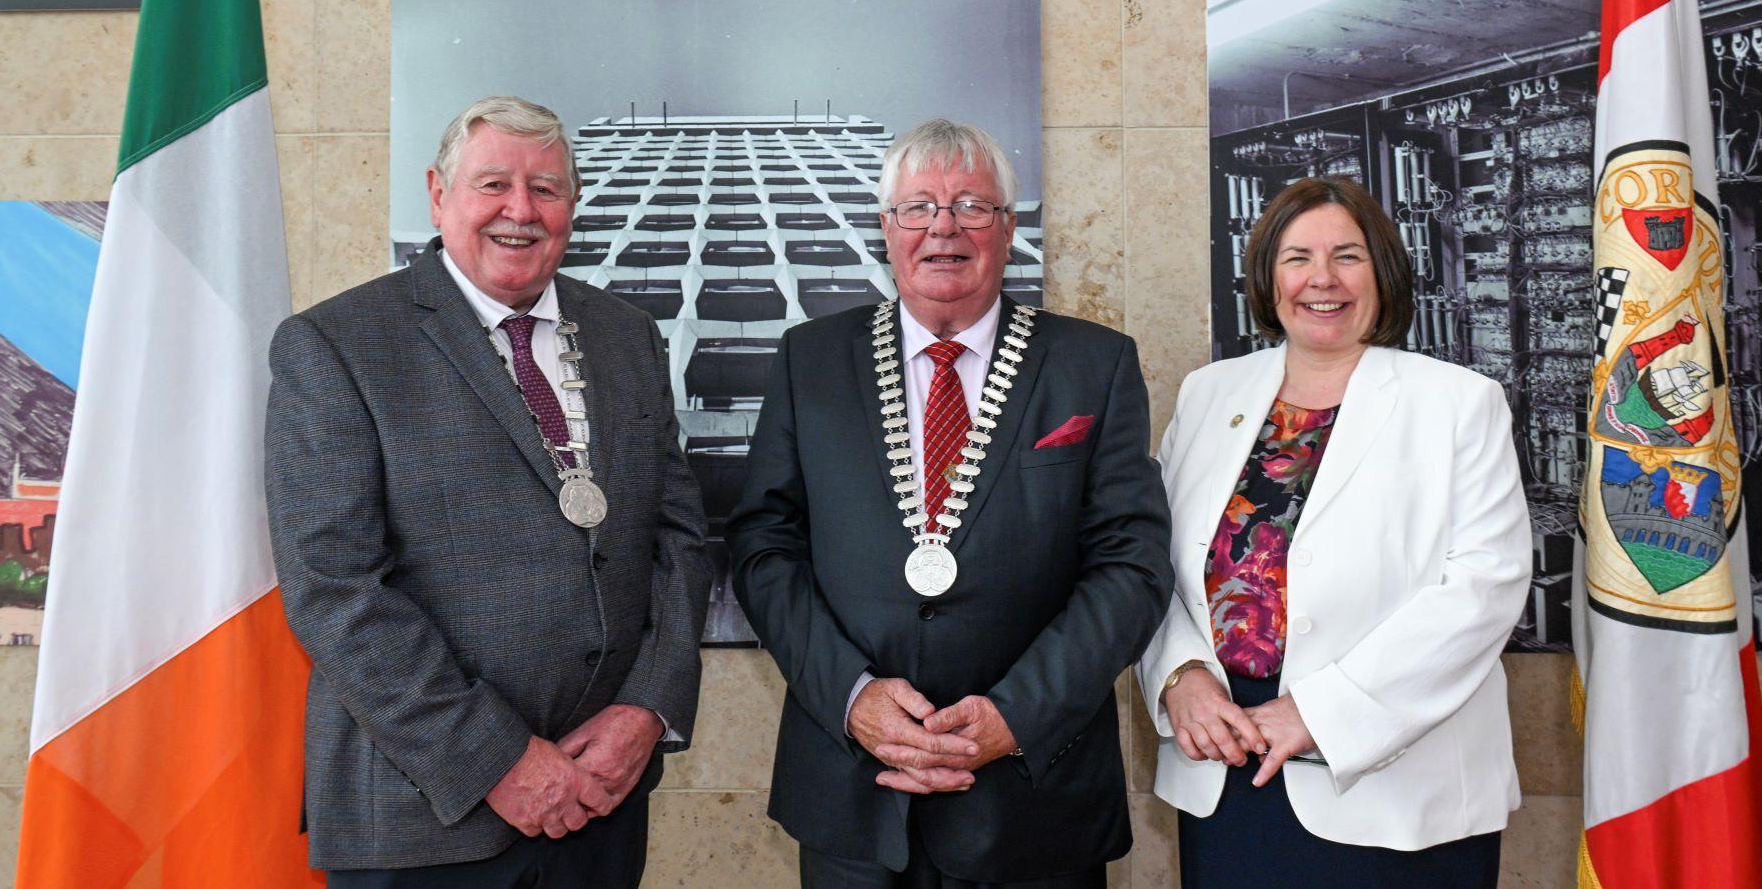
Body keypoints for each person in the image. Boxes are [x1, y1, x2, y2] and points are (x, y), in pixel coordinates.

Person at [266, 96, 711, 887]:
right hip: (421, 817)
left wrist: (646, 710)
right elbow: (333, 589)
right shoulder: (336, 345)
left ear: (572, 206)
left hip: (599, 805)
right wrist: (495, 759)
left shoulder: (626, 336)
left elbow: (677, 541)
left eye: (546, 189)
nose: (520, 210)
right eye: (493, 184)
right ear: (439, 195)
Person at [727, 118, 1174, 888]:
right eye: (918, 207)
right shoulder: (811, 359)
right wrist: (853, 697)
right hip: (851, 796)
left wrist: (1017, 714)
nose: (944, 226)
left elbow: (1129, 567)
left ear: (1006, 229)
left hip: (1036, 801)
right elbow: (764, 547)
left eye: (972, 205)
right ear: (885, 228)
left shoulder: (1091, 366)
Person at [1136, 176, 1531, 888]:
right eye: (1296, 258)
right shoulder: (1207, 394)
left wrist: (1320, 713)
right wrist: (1180, 678)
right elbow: (1150, 562)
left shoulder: (1457, 404)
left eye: (1346, 256)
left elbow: (1484, 589)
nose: (1321, 279)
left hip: (1397, 791)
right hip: (1224, 768)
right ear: (1266, 278)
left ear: (1382, 272)